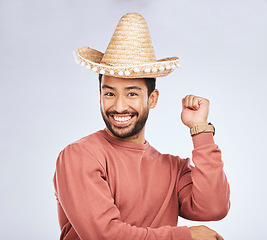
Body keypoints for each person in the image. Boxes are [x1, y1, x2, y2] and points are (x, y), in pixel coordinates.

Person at [53, 13, 230, 240]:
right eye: (109, 93)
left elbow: (214, 207)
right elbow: (103, 235)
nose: (118, 106)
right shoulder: (79, 156)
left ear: (152, 99)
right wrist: (187, 237)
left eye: (132, 93)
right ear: (99, 96)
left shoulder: (172, 168)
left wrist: (201, 130)